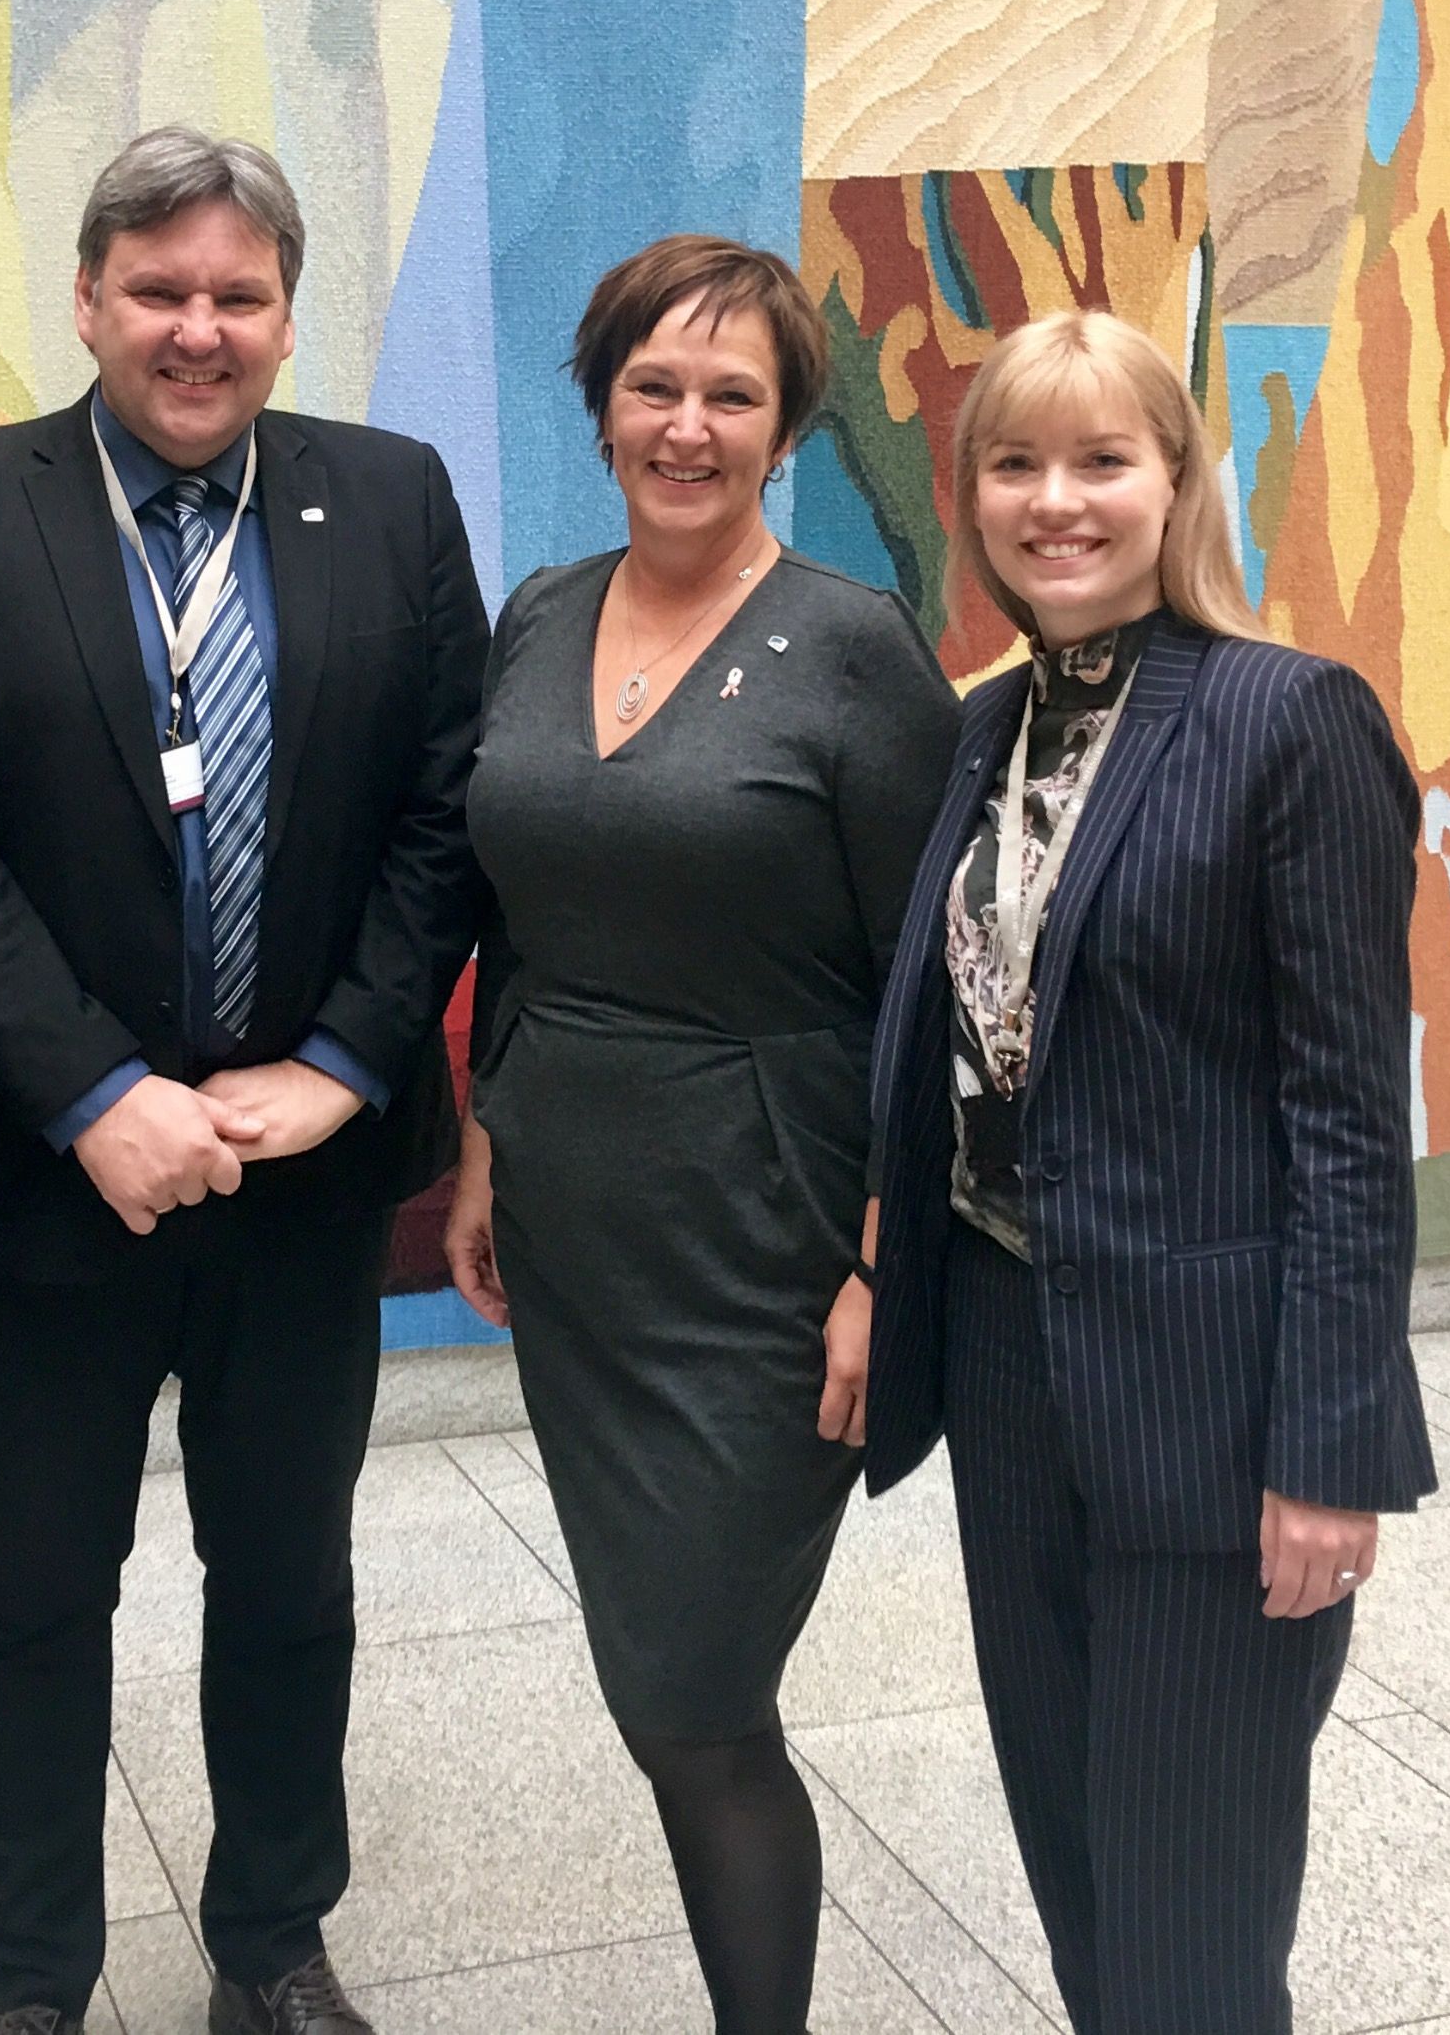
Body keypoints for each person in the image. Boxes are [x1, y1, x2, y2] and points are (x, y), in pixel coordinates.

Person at [0, 126, 487, 2035]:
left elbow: (445, 814)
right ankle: (28, 1983)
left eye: (237, 293)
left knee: (288, 1581)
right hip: (51, 1180)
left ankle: (273, 1945)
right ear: (86, 300)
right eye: (158, 289)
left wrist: (345, 1061)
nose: (196, 328)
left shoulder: (391, 499)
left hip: (301, 1182)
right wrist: (92, 1094)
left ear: (288, 316)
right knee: (36, 1591)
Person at [860, 308, 1434, 2035]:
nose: (1057, 500)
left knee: (1193, 1916)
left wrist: (1328, 1450)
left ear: (1176, 482)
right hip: (1007, 1366)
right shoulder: (986, 728)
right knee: (1084, 1880)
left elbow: (1350, 1121)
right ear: (974, 497)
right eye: (1016, 464)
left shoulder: (1291, 720)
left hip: (1214, 1401)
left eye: (1102, 459)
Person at [443, 235, 960, 2035]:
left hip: (769, 1230)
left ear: (785, 427)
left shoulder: (853, 650)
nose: (688, 424)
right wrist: (488, 1142)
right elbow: (519, 913)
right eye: (654, 385)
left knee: (695, 1688)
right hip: (578, 1214)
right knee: (654, 1678)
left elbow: (930, 985)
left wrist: (888, 1267)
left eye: (732, 394)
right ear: (601, 408)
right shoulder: (539, 612)